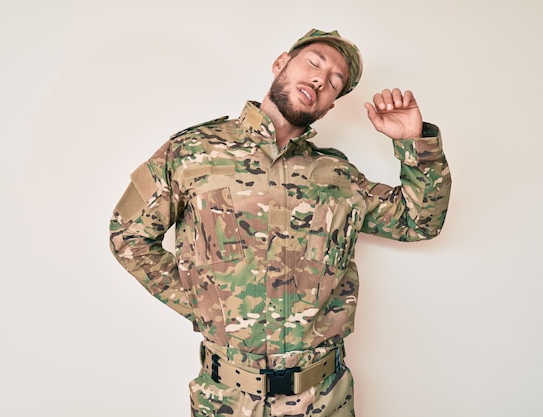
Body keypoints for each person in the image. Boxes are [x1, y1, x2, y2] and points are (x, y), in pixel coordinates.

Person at [109, 28, 451, 417]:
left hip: (322, 399)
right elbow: (128, 235)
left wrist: (414, 143)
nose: (322, 79)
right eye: (314, 63)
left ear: (329, 107)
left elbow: (419, 221)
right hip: (225, 400)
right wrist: (200, 303)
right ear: (281, 64)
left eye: (335, 83)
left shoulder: (338, 176)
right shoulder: (192, 152)